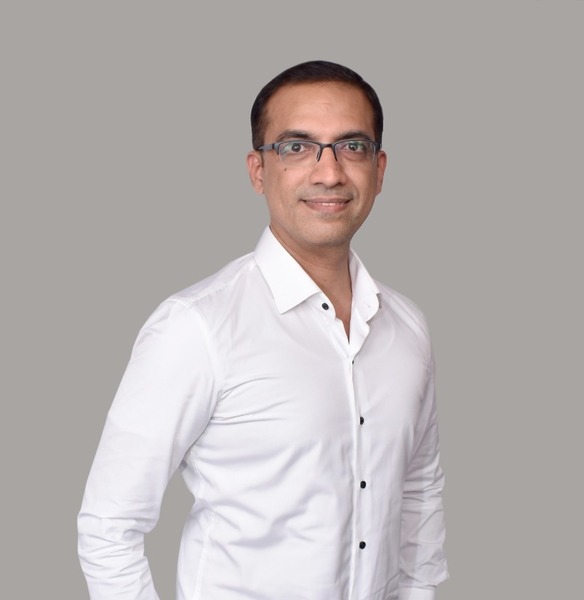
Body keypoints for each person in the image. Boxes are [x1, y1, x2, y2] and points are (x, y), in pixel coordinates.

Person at [78, 60, 449, 600]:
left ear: (379, 169)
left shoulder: (407, 328)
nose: (329, 173)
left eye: (352, 146)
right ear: (258, 170)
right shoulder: (197, 327)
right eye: (297, 147)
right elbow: (109, 526)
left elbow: (418, 496)